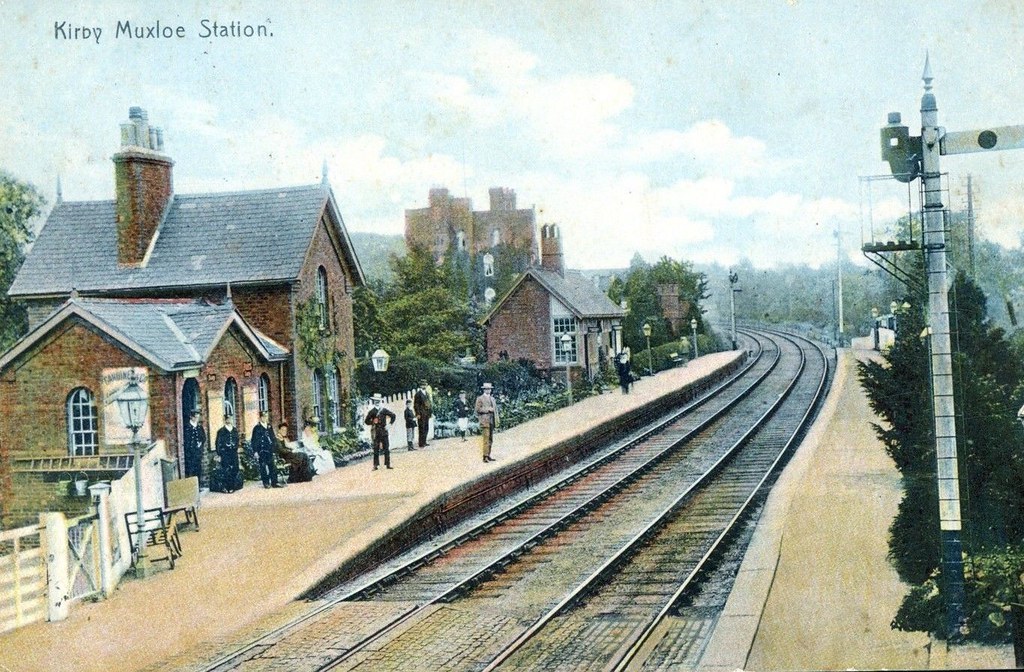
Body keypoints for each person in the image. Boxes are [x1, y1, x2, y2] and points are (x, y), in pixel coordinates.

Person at [364, 394, 396, 470]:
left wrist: (389, 424)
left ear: (380, 401)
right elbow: (366, 421)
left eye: (378, 400)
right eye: (375, 400)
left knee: (386, 448)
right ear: (373, 401)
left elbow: (393, 415)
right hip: (376, 432)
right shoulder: (372, 411)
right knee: (376, 448)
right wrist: (372, 421)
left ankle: (388, 464)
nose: (377, 402)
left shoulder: (384, 410)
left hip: (384, 431)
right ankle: (375, 465)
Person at [251, 411, 282, 488]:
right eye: (263, 417)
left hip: (269, 449)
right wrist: (255, 451)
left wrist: (274, 448)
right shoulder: (257, 428)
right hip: (261, 450)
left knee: (272, 466)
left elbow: (273, 437)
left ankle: (274, 482)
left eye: (266, 417)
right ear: (260, 417)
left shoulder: (269, 426)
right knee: (263, 467)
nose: (265, 418)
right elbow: (254, 440)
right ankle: (266, 483)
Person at [215, 414, 241, 493]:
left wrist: (236, 447)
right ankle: (226, 486)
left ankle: (232, 486)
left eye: (231, 419)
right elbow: (218, 443)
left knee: (235, 468)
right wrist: (219, 453)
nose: (229, 420)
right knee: (226, 469)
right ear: (225, 420)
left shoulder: (235, 430)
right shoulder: (221, 431)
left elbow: (237, 440)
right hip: (225, 453)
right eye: (228, 419)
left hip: (233, 452)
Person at [475, 382, 499, 463]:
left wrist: (496, 420)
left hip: (492, 421)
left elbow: (495, 411)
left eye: (489, 389)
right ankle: (484, 456)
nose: (488, 390)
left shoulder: (492, 399)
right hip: (485, 421)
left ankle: (488, 455)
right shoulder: (480, 398)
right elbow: (477, 410)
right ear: (484, 390)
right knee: (486, 439)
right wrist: (488, 409)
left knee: (490, 439)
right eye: (486, 389)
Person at [183, 410, 206, 481]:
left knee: (198, 469)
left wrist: (200, 443)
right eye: (195, 417)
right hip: (190, 452)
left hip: (198, 452)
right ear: (191, 417)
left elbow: (203, 438)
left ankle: (198, 485)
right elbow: (185, 439)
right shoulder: (187, 427)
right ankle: (192, 486)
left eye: (198, 417)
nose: (197, 419)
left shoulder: (199, 427)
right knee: (190, 469)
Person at [413, 379, 432, 447]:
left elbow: (429, 404)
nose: (424, 386)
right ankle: (421, 443)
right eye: (422, 385)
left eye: (425, 384)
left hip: (426, 413)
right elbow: (416, 405)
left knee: (426, 427)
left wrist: (430, 413)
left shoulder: (426, 393)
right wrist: (417, 413)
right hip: (421, 414)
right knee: (421, 428)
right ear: (420, 386)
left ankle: (424, 441)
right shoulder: (418, 394)